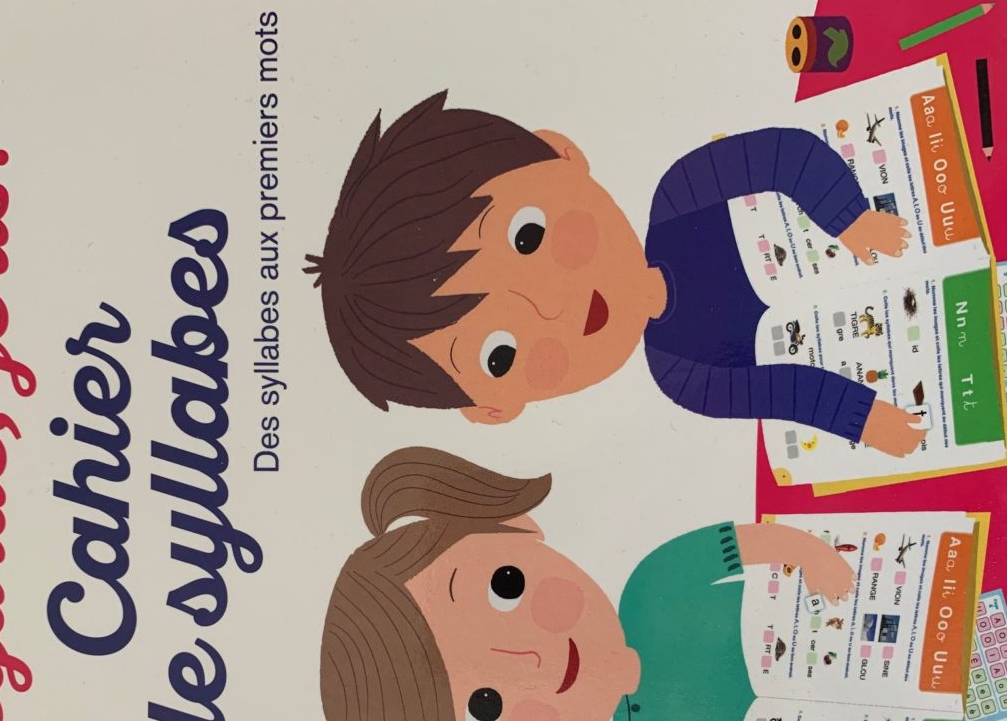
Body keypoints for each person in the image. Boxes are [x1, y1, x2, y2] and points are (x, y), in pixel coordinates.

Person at [306, 92, 925, 457]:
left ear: (561, 154)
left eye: (528, 236)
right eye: (500, 355)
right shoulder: (685, 379)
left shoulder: (685, 193)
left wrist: (850, 218)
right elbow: (785, 391)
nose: (552, 307)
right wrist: (864, 419)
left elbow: (785, 155)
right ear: (494, 408)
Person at [318, 447, 857, 721]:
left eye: (506, 586)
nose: (533, 660)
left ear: (515, 525)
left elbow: (749, 544)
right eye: (486, 706)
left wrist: (814, 555)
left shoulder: (658, 580)